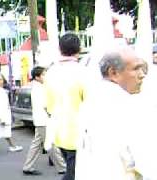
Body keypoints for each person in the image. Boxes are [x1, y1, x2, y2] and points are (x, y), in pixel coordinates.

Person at [75, 47, 146, 180]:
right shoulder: (126, 105)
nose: (142, 74)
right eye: (136, 69)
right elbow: (142, 159)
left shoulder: (93, 99)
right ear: (113, 72)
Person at [45, 33, 85, 180]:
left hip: (58, 130)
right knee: (75, 173)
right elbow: (89, 103)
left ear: (59, 49)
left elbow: (48, 105)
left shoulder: (50, 72)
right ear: (79, 49)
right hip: (79, 132)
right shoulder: (83, 72)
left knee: (71, 169)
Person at [0, 72, 23, 155]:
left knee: (5, 131)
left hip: (2, 115)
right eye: (0, 80)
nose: (2, 81)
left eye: (2, 79)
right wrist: (1, 118)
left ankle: (12, 146)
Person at [22, 66, 49, 175]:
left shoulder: (39, 87)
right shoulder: (39, 89)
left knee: (37, 144)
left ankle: (27, 166)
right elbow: (45, 105)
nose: (45, 76)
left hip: (41, 119)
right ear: (37, 77)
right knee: (51, 144)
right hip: (43, 119)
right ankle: (62, 166)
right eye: (43, 74)